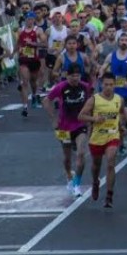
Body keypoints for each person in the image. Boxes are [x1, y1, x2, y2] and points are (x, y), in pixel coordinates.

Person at [78, 72, 127, 208]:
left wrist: (122, 126)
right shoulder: (94, 100)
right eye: (106, 85)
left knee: (111, 162)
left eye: (111, 85)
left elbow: (122, 113)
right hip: (97, 137)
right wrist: (94, 119)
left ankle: (109, 196)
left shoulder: (119, 99)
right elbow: (81, 116)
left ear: (115, 85)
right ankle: (95, 182)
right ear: (101, 84)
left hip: (112, 135)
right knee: (96, 166)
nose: (108, 87)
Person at [45, 66, 93, 195]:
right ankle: (68, 176)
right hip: (64, 126)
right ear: (67, 76)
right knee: (67, 157)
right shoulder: (61, 87)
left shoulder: (85, 86)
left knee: (81, 153)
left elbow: (92, 102)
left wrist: (91, 119)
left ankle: (77, 183)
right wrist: (53, 119)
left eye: (77, 75)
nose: (75, 78)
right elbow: (46, 100)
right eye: (73, 76)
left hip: (80, 124)